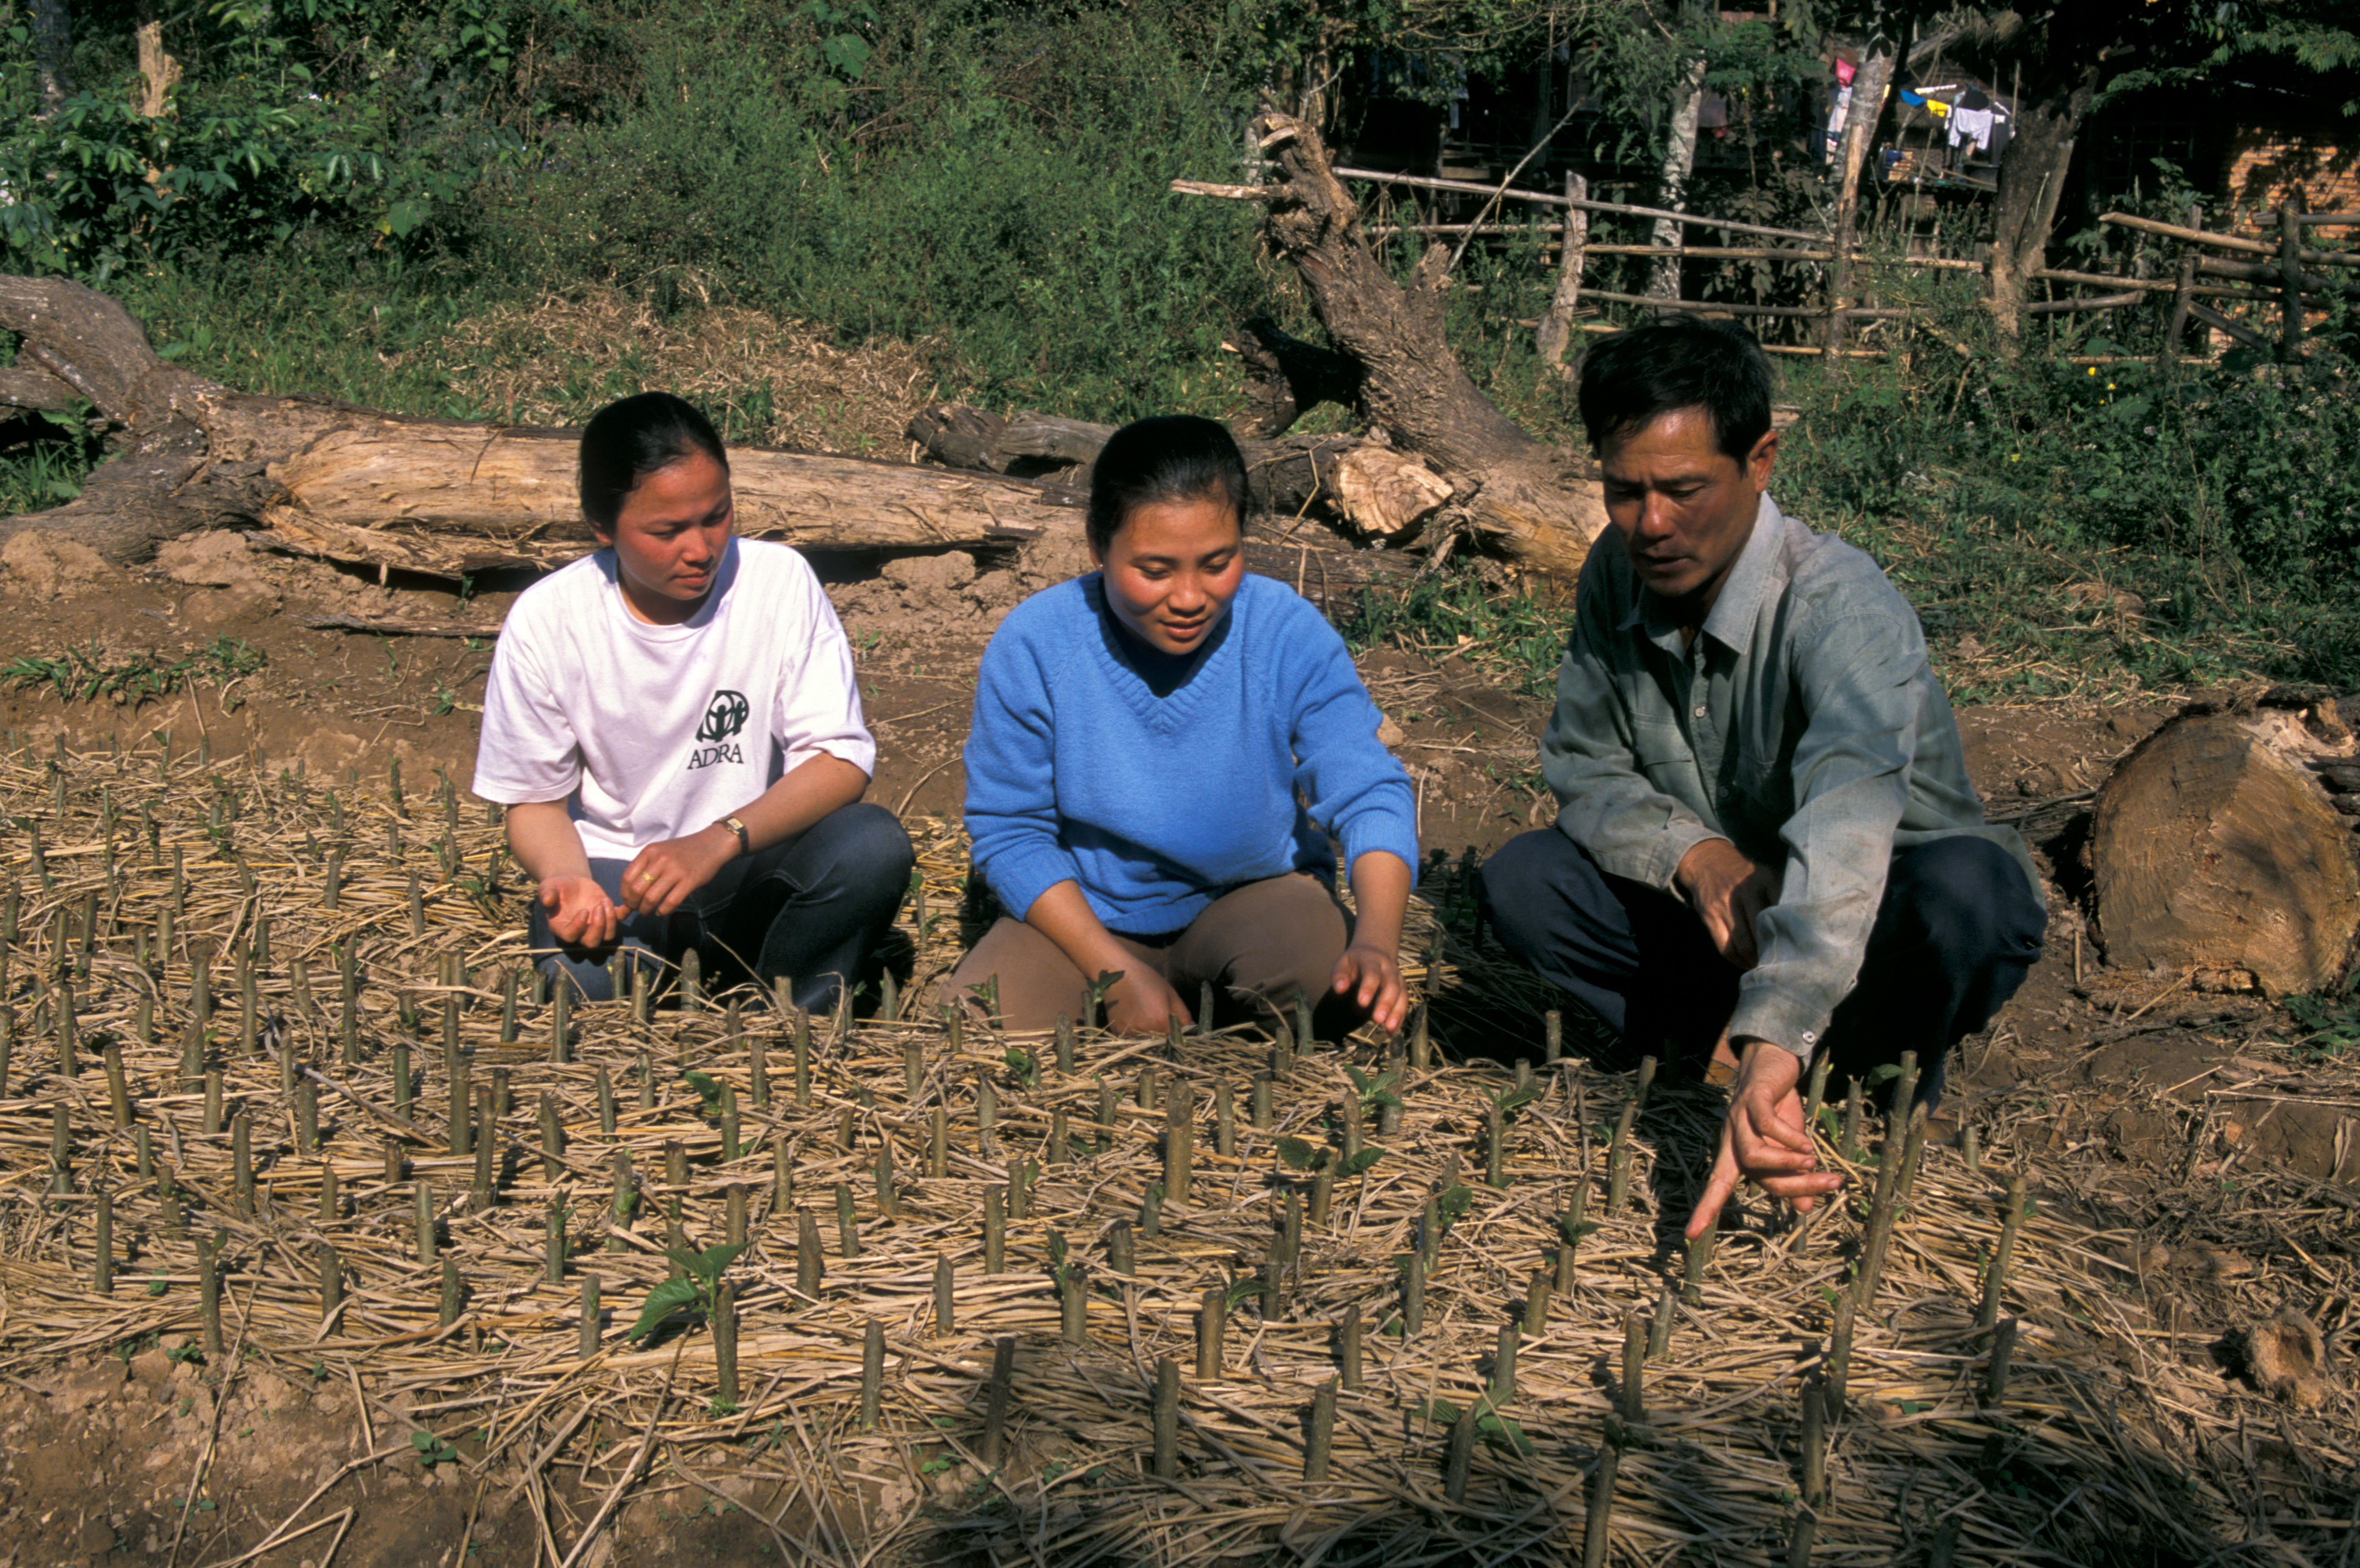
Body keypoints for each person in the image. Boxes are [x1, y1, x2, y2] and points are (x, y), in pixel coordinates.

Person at [1478, 320, 2045, 1239]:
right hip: (1722, 931)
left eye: (1683, 489)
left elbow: (1846, 833)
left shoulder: (1841, 606)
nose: (1650, 524)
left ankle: (1857, 1064)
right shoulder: (1614, 575)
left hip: (1869, 928)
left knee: (1969, 894)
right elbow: (1587, 764)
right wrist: (1698, 858)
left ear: (1762, 459)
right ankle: (1731, 1043)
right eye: (1624, 491)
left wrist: (1775, 1026)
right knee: (1526, 882)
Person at [949, 414, 1418, 1037]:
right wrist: (1112, 971)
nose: (1191, 597)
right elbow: (1011, 832)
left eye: (1217, 563)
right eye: (1155, 570)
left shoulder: (1284, 632)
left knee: (1326, 985)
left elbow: (1367, 789)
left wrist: (1378, 943)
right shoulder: (1037, 645)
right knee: (981, 1031)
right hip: (1087, 915)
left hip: (1249, 898)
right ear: (1097, 546)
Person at [472, 391, 914, 1009]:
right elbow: (534, 802)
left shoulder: (778, 583)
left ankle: (789, 1014)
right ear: (602, 527)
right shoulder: (549, 619)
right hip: (622, 878)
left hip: (748, 863)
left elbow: (839, 762)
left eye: (716, 516)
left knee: (870, 845)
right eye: (668, 530)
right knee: (588, 981)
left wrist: (718, 839)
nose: (701, 548)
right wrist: (566, 877)